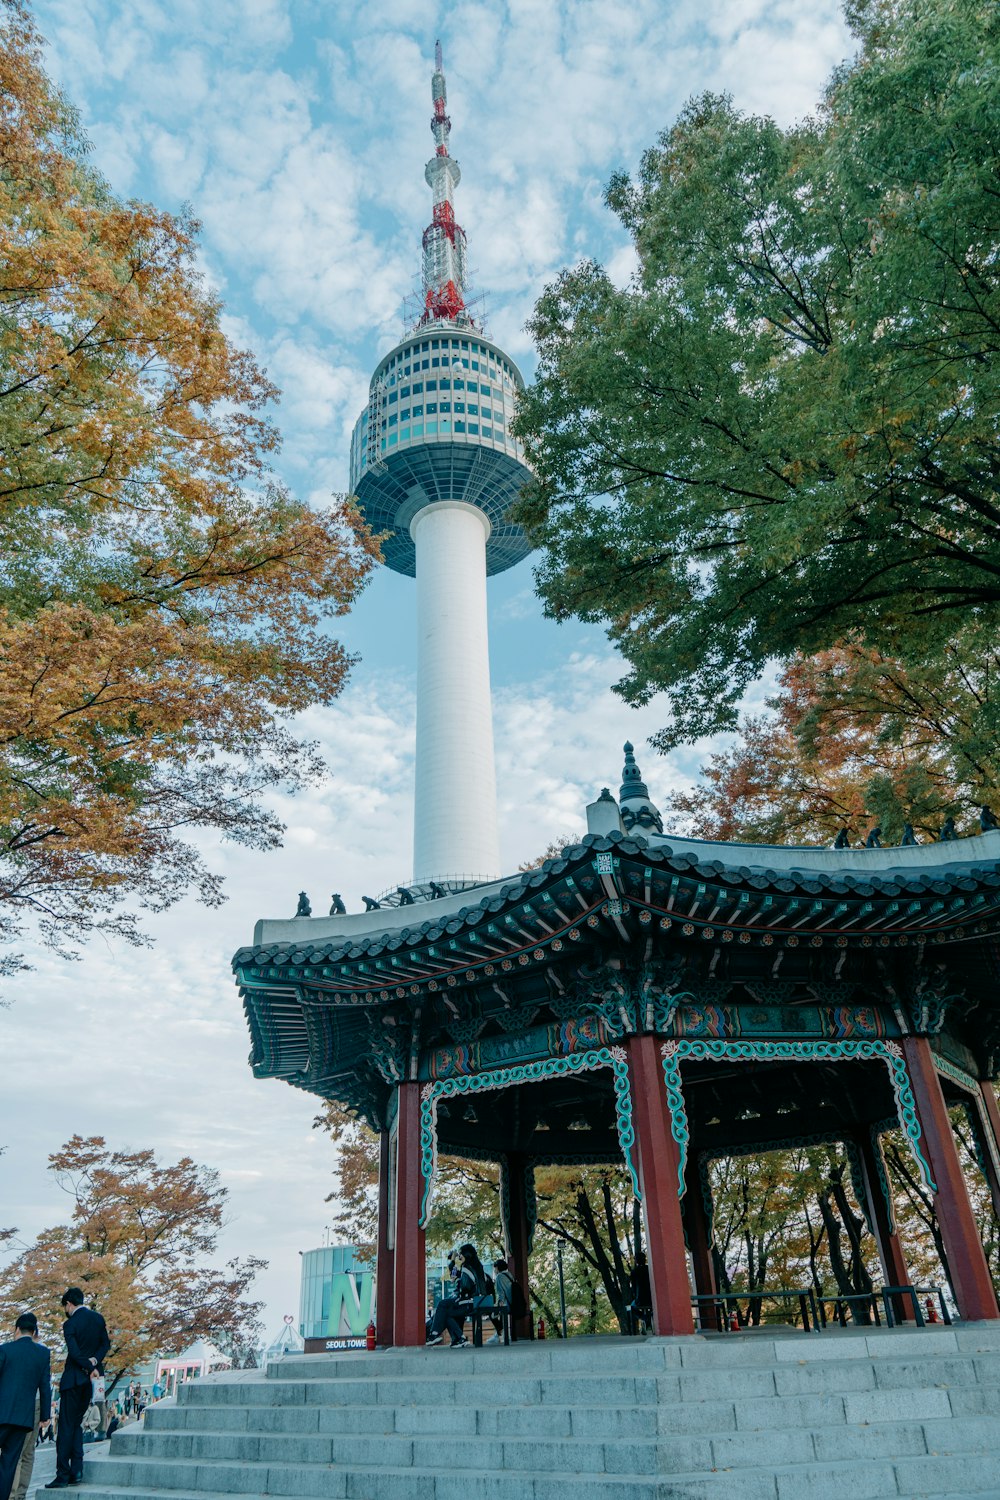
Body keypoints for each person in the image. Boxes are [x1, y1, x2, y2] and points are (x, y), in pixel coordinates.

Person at [46, 1288, 110, 1490]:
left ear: (69, 1304)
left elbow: (73, 1353)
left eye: (65, 1306)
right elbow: (105, 1345)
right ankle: (77, 1471)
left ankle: (63, 1474)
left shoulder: (70, 1324)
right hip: (91, 1381)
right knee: (77, 1425)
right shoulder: (98, 1319)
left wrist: (87, 1365)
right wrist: (94, 1363)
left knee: (66, 1427)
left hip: (73, 1379)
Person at [0, 1313, 52, 1500]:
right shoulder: (43, 1353)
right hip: (23, 1419)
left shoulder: (4, 1350)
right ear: (34, 1331)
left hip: (1, 1413)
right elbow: (45, 1386)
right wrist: (46, 1415)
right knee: (9, 1463)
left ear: (16, 1330)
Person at [426, 1245, 490, 1348]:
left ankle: (434, 1334)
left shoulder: (467, 1267)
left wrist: (458, 1290)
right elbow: (453, 1277)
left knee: (442, 1304)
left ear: (466, 1254)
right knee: (446, 1312)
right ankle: (459, 1339)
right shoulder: (476, 1266)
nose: (459, 1256)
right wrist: (453, 1262)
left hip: (468, 1302)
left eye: (460, 1254)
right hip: (476, 1301)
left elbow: (465, 1286)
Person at [627, 1251, 652, 1334]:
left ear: (636, 1261)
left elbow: (633, 1287)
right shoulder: (650, 1270)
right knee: (652, 1308)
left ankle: (645, 1318)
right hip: (652, 1299)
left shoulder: (634, 1272)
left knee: (631, 1307)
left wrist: (635, 1296)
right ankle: (650, 1316)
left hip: (640, 1299)